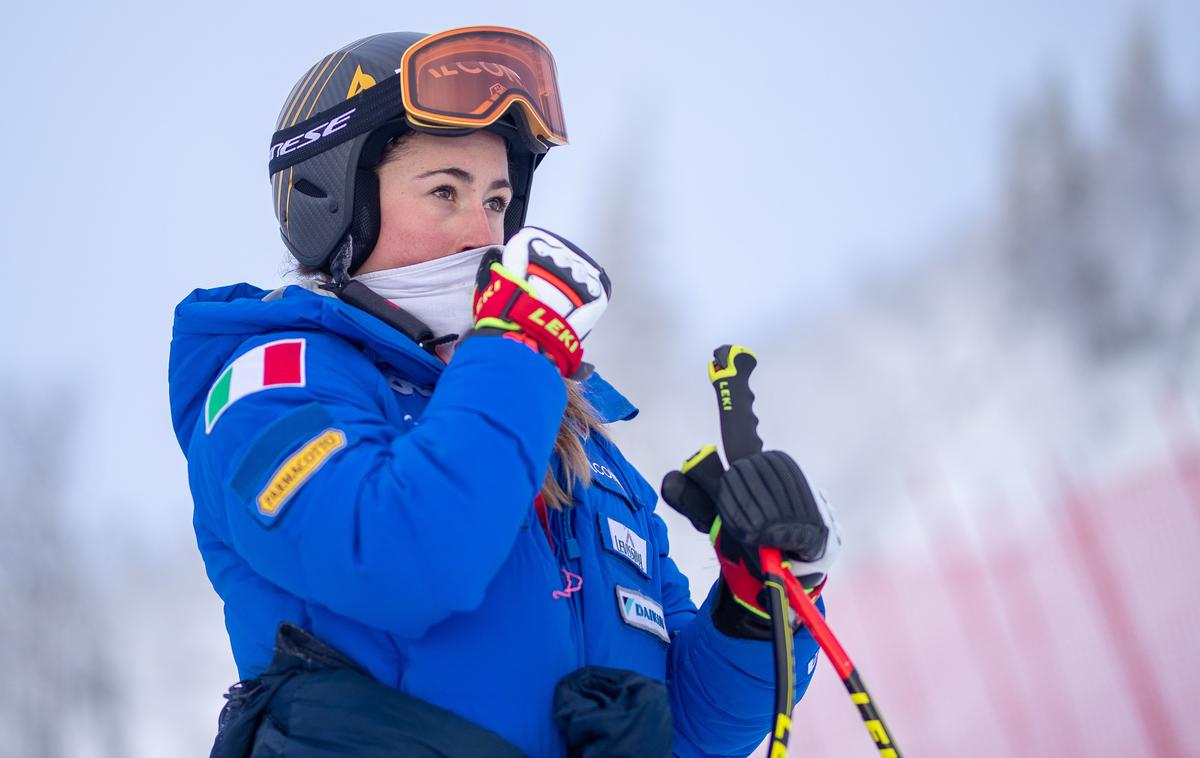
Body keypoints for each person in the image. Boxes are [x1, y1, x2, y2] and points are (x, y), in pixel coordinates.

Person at [168, 25, 841, 758]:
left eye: (496, 200)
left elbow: (693, 734)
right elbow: (402, 563)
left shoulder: (560, 428)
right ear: (332, 207)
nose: (481, 234)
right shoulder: (272, 387)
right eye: (444, 191)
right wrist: (517, 352)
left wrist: (751, 607)